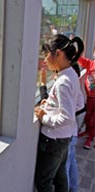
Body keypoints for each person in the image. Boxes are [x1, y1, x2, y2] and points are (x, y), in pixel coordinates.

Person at [34, 34, 85, 192]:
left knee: (43, 182)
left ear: (59, 54)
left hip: (53, 140)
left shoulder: (63, 81)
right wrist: (51, 104)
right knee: (60, 176)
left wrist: (44, 116)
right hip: (64, 138)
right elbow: (79, 104)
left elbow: (66, 117)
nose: (45, 58)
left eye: (47, 54)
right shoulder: (71, 74)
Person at [77, 48, 95, 149]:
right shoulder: (91, 64)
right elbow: (81, 60)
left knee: (93, 119)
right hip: (90, 97)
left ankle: (90, 138)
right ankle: (87, 132)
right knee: (88, 116)